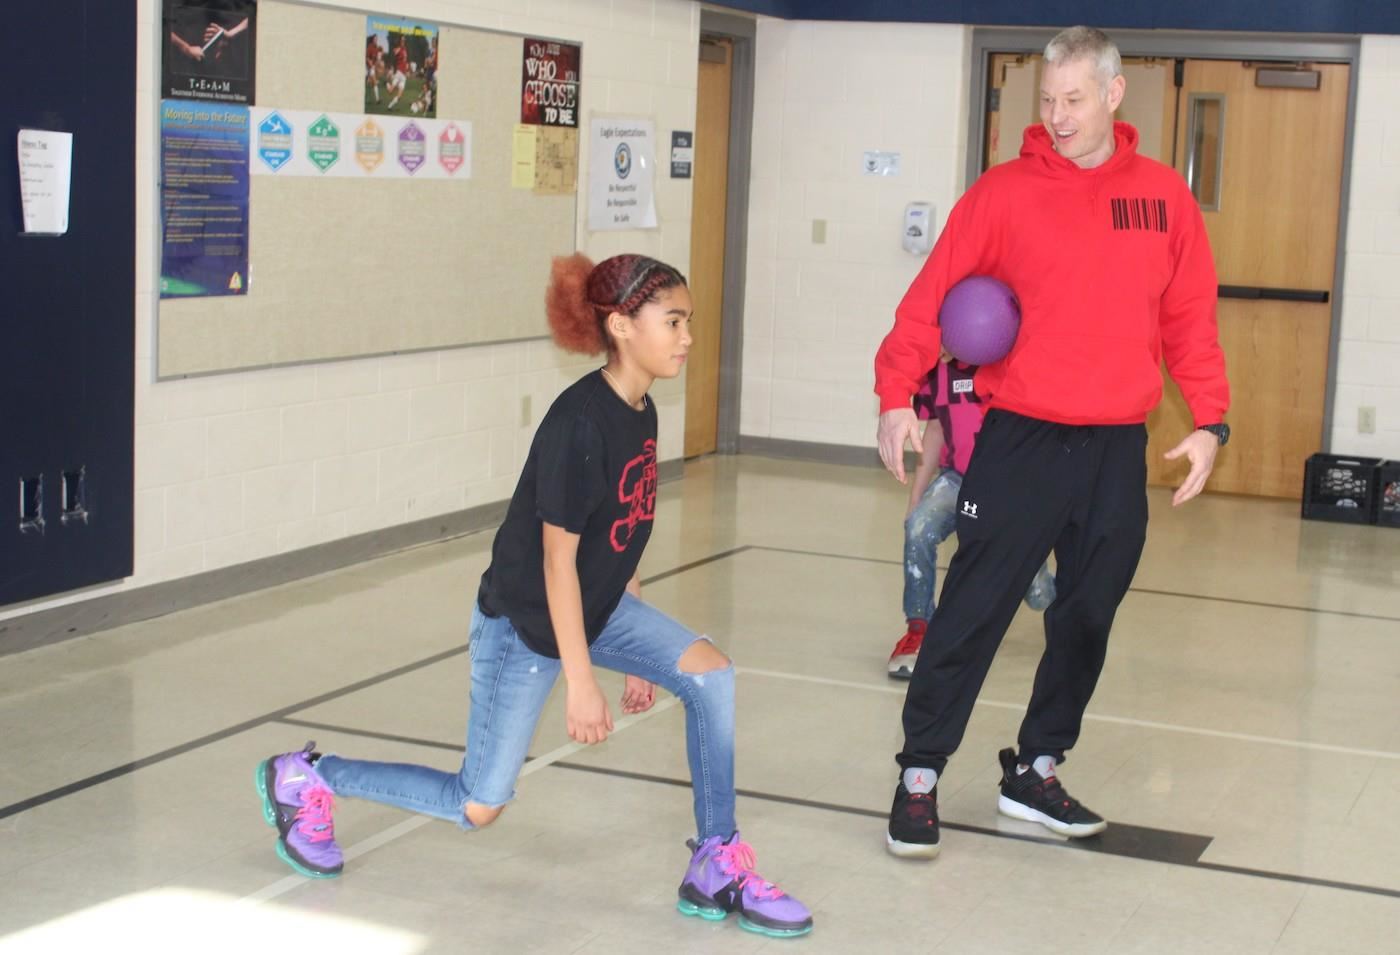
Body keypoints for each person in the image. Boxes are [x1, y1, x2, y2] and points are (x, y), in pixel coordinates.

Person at [255, 253, 814, 939]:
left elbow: (621, 533)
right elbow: (557, 561)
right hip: (524, 625)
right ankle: (310, 776)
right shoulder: (580, 422)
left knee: (712, 674)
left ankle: (716, 862)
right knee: (479, 802)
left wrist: (637, 647)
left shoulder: (640, 409)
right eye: (672, 321)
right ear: (621, 325)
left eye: (687, 321)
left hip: (593, 608)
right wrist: (581, 682)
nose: (687, 336)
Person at [874, 26, 1230, 860]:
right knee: (974, 609)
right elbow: (929, 299)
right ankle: (919, 773)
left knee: (1086, 615)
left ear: (1113, 95)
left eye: (1074, 99)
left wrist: (1210, 419)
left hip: (1114, 448)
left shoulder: (1162, 199)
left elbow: (1189, 321)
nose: (1059, 116)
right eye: (1047, 100)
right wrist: (896, 394)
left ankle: (1035, 767)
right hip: (1022, 440)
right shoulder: (1003, 195)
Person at [888, 350, 1056, 680]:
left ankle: (1067, 607)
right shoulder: (938, 373)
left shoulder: (1009, 363)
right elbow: (935, 432)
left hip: (1010, 486)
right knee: (919, 528)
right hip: (958, 479)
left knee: (1038, 596)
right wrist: (916, 499)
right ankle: (920, 629)